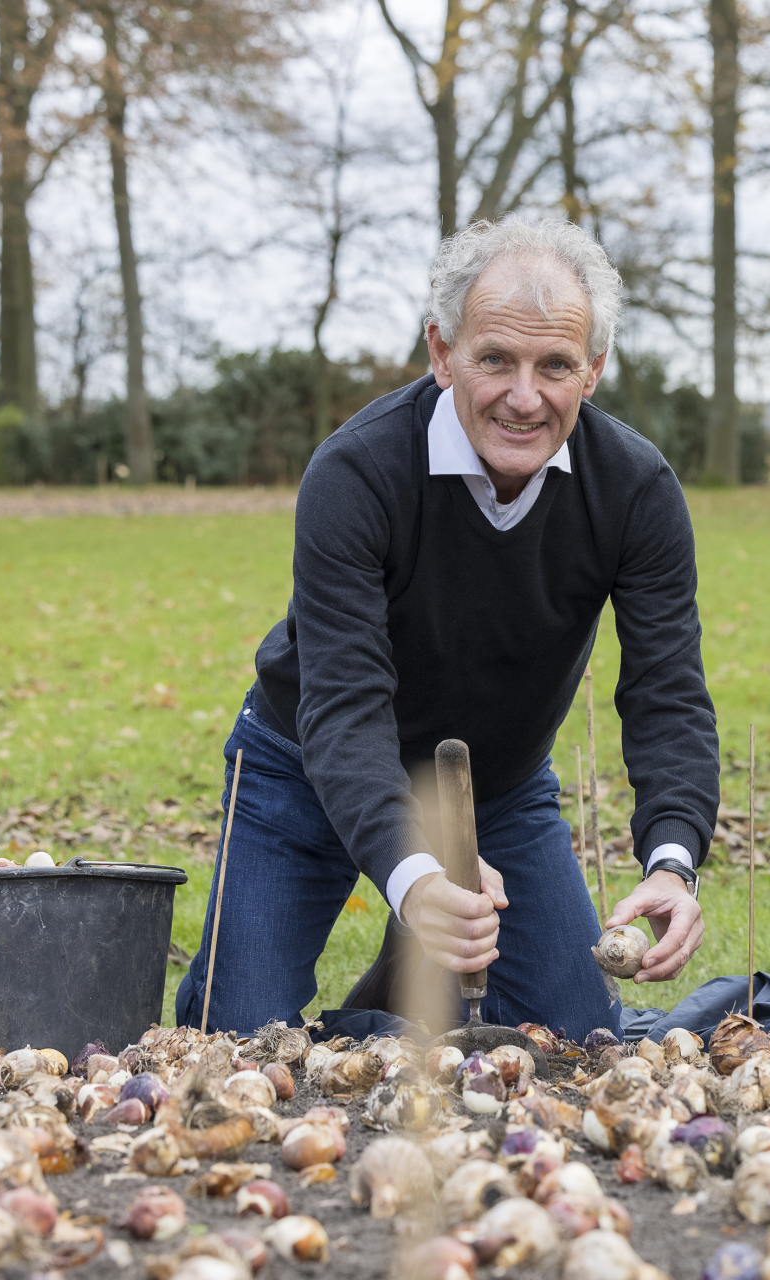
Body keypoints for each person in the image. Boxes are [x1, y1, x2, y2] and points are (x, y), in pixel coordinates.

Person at [176, 218, 718, 1040]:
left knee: (578, 1039)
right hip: (306, 770)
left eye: (556, 365)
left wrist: (673, 861)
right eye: (495, 358)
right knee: (241, 1041)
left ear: (594, 370)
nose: (524, 396)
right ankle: (404, 947)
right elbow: (347, 710)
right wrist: (416, 872)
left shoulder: (636, 490)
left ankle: (409, 976)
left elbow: (667, 692)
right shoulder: (356, 472)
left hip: (495, 789)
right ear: (442, 351)